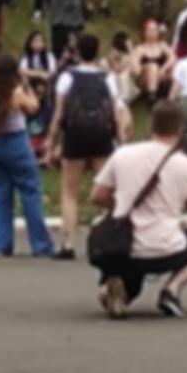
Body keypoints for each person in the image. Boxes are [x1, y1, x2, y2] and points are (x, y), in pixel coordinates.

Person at [91, 102, 187, 319]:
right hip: (166, 246)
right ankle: (171, 291)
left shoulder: (124, 154)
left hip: (122, 246)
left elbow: (97, 196)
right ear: (180, 130)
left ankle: (111, 291)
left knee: (130, 284)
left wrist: (121, 204)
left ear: (150, 127)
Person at [49, 33, 127, 258]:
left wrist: (51, 141)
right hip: (101, 136)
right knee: (104, 191)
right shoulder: (107, 78)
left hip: (75, 136)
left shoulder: (67, 78)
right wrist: (121, 142)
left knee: (70, 192)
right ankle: (109, 239)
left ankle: (68, 243)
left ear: (77, 52)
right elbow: (115, 114)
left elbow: (59, 114)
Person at [0, 55, 56, 258]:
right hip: (16, 143)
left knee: (1, 194)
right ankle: (41, 244)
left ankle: (1, 242)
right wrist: (26, 85)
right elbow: (34, 106)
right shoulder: (16, 93)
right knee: (30, 191)